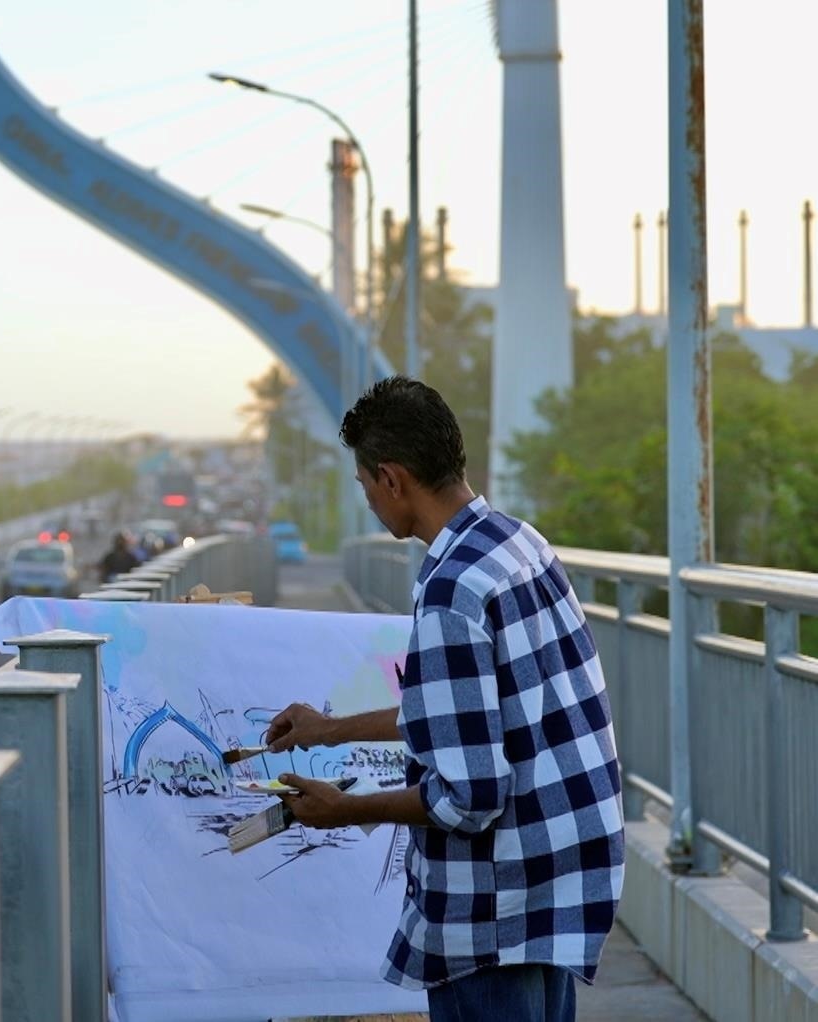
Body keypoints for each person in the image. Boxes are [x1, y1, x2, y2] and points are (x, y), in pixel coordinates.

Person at [265, 377, 624, 1022]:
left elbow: (470, 796)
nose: (370, 501)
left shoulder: (451, 591)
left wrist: (343, 810)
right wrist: (329, 730)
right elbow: (468, 715)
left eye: (365, 486)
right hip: (556, 880)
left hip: (492, 909)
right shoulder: (518, 543)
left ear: (392, 479)